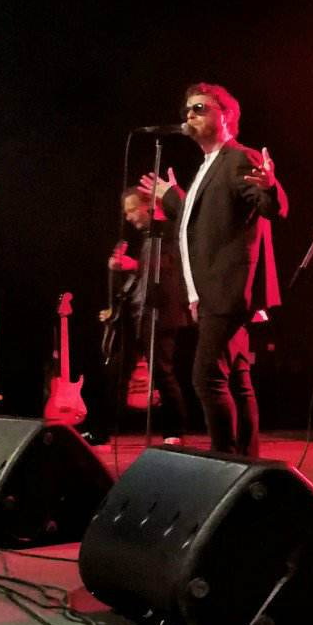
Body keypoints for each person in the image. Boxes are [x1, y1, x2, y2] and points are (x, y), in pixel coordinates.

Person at [140, 83, 285, 456]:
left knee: (206, 376)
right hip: (210, 292)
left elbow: (270, 207)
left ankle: (225, 458)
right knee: (236, 378)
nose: (190, 114)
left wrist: (270, 187)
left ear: (227, 116)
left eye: (200, 108)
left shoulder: (238, 158)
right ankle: (245, 458)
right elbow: (204, 225)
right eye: (188, 109)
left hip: (227, 289)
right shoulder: (209, 165)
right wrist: (172, 198)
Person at [100, 186, 190, 442]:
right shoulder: (147, 236)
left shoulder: (169, 232)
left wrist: (134, 265)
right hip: (136, 313)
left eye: (132, 210)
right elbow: (145, 276)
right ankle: (102, 431)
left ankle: (175, 431)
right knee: (116, 371)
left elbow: (171, 268)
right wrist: (125, 268)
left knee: (162, 372)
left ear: (149, 206)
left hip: (159, 313)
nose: (128, 217)